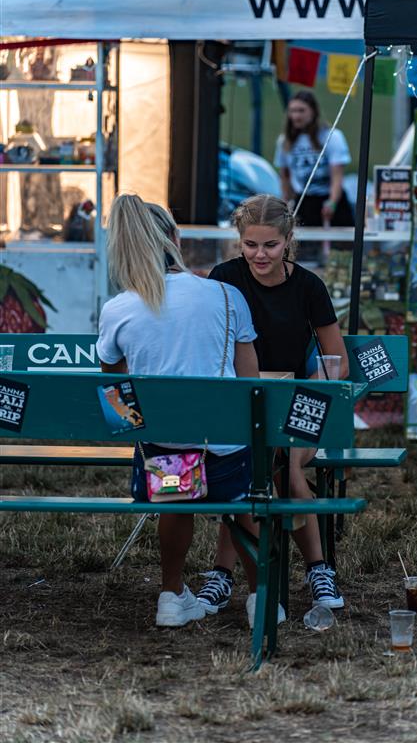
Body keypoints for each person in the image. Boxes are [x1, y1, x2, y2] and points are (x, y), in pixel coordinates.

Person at [96, 193, 265, 629]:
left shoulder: (117, 309)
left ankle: (170, 596)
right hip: (227, 457)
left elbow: (116, 397)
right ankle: (260, 598)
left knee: (174, 476)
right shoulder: (226, 297)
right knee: (242, 501)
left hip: (166, 458)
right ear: (175, 238)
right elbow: (251, 385)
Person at [196, 194, 349, 617]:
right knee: (257, 461)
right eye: (250, 245)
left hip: (297, 402)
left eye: (270, 245)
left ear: (288, 241)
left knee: (278, 459)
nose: (259, 255)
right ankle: (235, 574)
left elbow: (337, 360)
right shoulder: (223, 279)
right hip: (242, 400)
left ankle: (314, 569)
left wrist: (309, 395)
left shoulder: (308, 286)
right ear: (239, 242)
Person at [274, 90, 354, 228]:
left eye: (301, 111)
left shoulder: (332, 136)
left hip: (330, 199)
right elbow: (285, 176)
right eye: (293, 111)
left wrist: (332, 202)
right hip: (304, 200)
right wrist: (286, 203)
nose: (296, 116)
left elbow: (337, 176)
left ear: (313, 112)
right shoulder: (285, 141)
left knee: (342, 246)